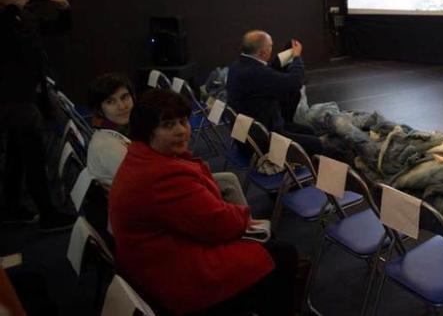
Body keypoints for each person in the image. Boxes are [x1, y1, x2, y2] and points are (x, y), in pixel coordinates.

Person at [109, 89, 308, 315]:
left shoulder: (142, 158)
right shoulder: (161, 176)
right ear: (147, 132)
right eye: (168, 125)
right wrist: (243, 217)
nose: (181, 131)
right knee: (282, 253)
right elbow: (217, 224)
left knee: (269, 244)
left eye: (183, 121)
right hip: (175, 279)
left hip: (156, 261)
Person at [86, 73, 246, 205]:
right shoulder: (108, 147)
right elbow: (148, 184)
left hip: (158, 187)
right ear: (100, 109)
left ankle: (248, 227)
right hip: (149, 204)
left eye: (125, 97)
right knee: (223, 186)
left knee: (228, 180)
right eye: (110, 102)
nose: (122, 106)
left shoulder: (127, 128)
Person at [0, 0, 76, 231]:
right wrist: (18, 4)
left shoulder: (20, 16)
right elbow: (13, 42)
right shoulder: (7, 20)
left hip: (28, 95)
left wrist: (62, 6)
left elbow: (57, 28)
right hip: (12, 99)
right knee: (33, 157)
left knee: (16, 155)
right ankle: (47, 213)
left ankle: (11, 207)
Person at [227, 30, 322, 155]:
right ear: (263, 52)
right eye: (270, 46)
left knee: (308, 131)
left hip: (248, 134)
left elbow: (268, 72)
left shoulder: (238, 65)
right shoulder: (256, 73)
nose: (272, 49)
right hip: (263, 140)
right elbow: (294, 82)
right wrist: (297, 57)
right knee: (316, 144)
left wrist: (285, 56)